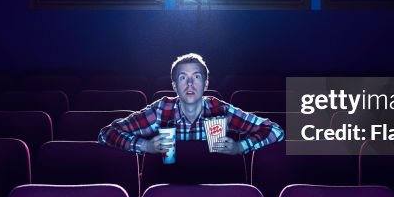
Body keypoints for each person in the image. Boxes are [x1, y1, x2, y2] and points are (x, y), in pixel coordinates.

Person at [97, 52, 284, 155]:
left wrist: (240, 147)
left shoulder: (220, 110)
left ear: (206, 84)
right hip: (167, 191)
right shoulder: (161, 110)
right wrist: (145, 146)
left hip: (216, 191)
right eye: (183, 78)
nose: (189, 84)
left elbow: (275, 131)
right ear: (174, 86)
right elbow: (106, 134)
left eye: (196, 77)